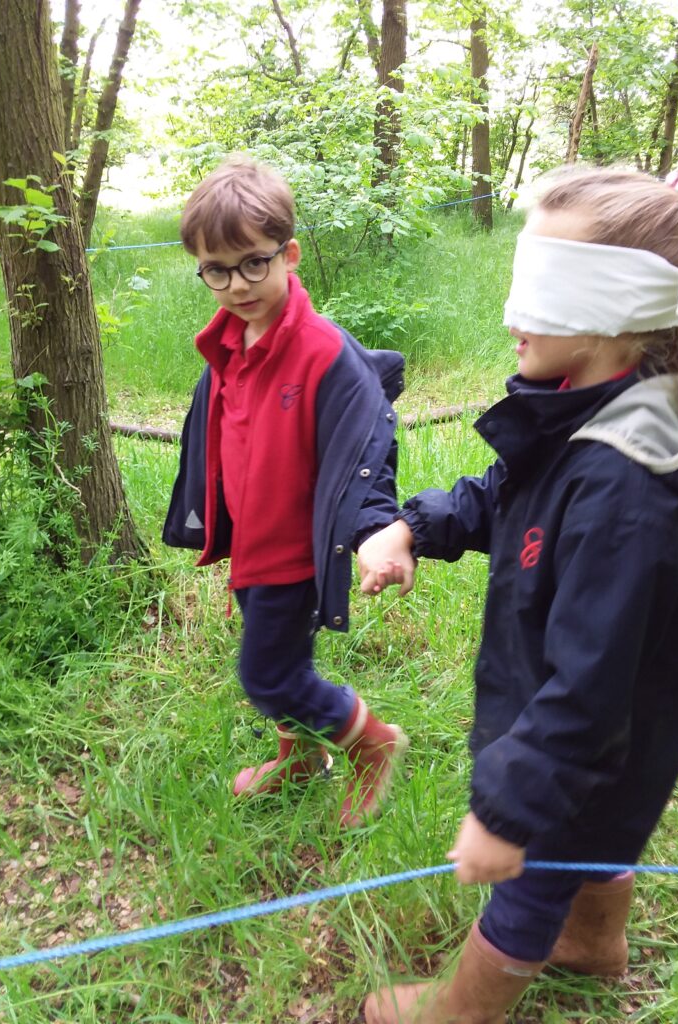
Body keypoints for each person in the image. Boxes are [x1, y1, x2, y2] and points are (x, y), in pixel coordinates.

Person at [356, 160, 678, 1022]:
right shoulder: (589, 404)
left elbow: (587, 699)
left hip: (592, 749)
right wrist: (419, 526)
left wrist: (506, 814)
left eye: (541, 290)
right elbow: (512, 491)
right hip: (607, 754)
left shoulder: (627, 486)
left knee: (539, 866)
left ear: (608, 309)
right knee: (594, 838)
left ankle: (460, 1010)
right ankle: (595, 942)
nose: (515, 314)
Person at [162, 156, 408, 829]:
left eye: (253, 264)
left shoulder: (323, 353)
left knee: (268, 676)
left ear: (289, 255)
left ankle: (372, 743)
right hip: (251, 543)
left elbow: (369, 451)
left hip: (297, 553)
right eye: (216, 268)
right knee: (282, 661)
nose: (236, 284)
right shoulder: (229, 343)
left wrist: (370, 533)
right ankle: (300, 760)